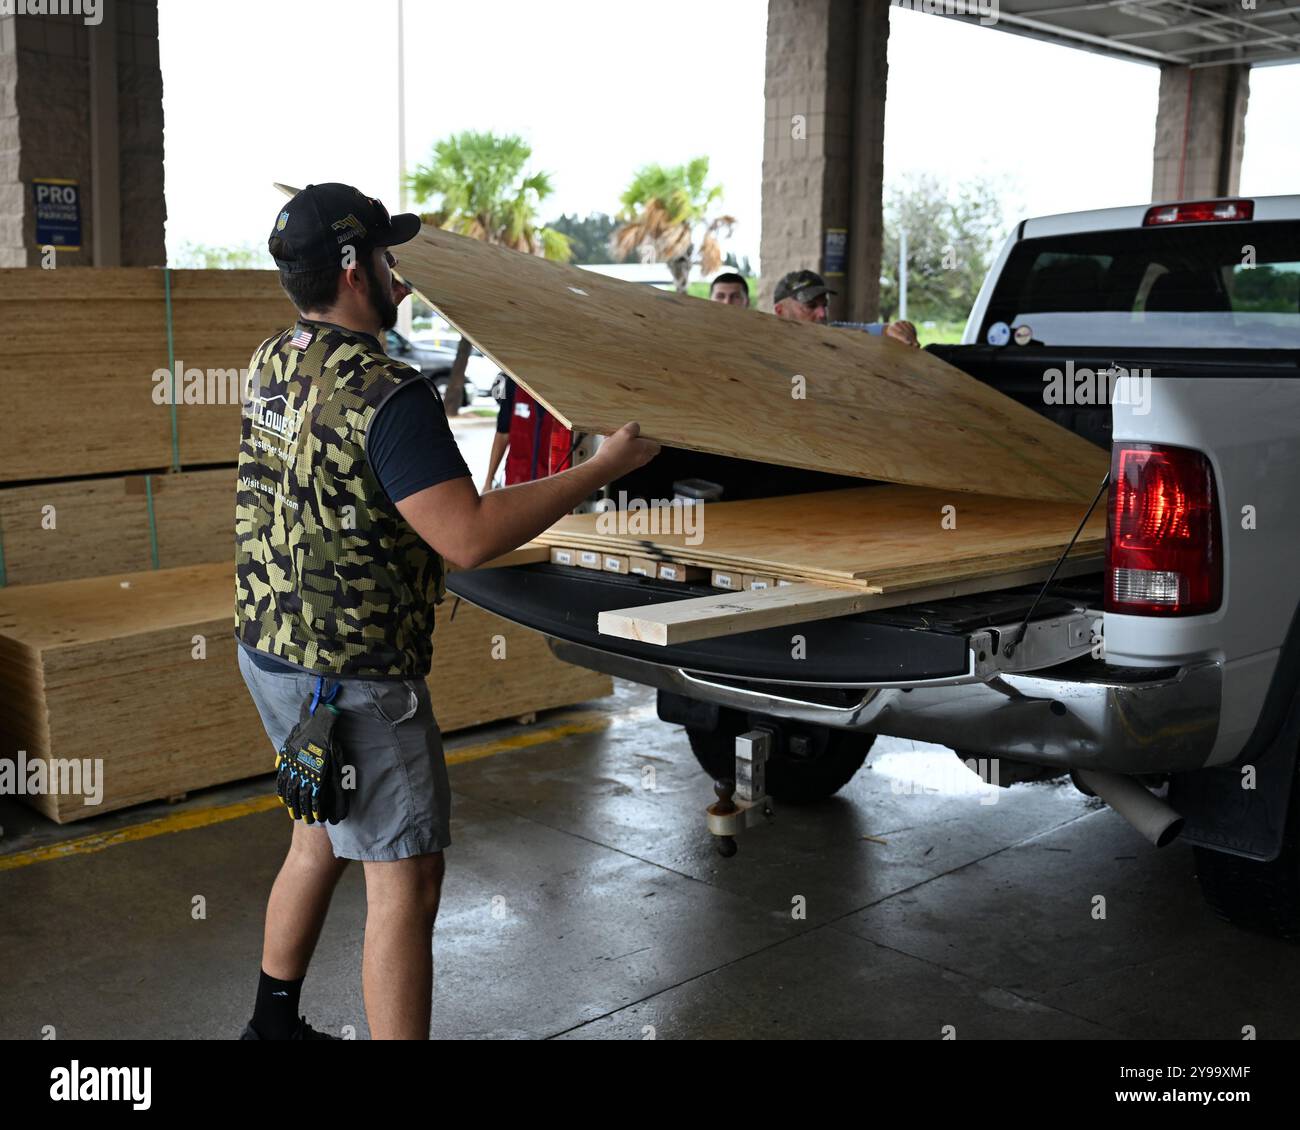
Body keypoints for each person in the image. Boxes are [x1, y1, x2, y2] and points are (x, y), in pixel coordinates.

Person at [235, 182, 658, 1041]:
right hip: (351, 681)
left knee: (318, 834)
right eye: (388, 257)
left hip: (271, 652)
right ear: (354, 268)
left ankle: (269, 1030)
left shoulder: (274, 358)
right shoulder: (390, 394)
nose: (400, 275)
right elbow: (464, 536)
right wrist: (599, 470)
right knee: (405, 877)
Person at [772, 269, 919, 346]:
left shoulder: (834, 331)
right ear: (780, 311)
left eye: (825, 305)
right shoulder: (765, 343)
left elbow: (881, 330)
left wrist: (900, 329)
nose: (822, 314)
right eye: (810, 306)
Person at [482, 375, 572, 492]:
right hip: (516, 481)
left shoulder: (566, 388)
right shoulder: (513, 382)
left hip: (554, 483)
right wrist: (489, 480)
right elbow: (502, 433)